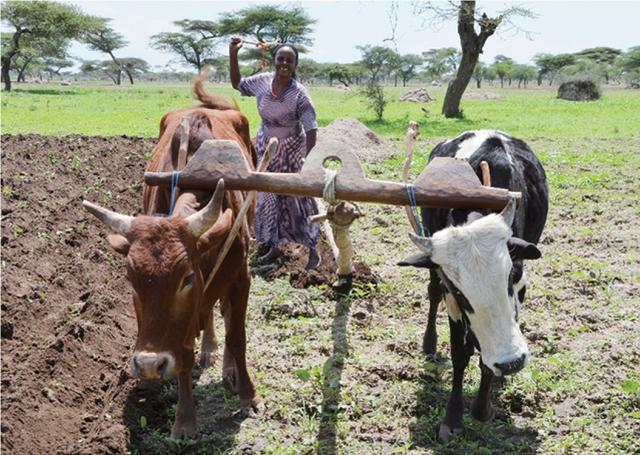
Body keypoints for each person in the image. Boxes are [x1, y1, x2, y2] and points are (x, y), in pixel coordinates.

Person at [229, 37, 321, 270]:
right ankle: (273, 247)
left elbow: (311, 128)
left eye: (289, 61)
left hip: (291, 152)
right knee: (268, 198)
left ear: (295, 65)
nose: (284, 64)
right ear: (274, 61)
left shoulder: (300, 94)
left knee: (299, 199)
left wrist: (308, 160)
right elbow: (237, 83)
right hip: (266, 150)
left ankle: (312, 249)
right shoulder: (262, 83)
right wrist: (233, 53)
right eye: (281, 59)